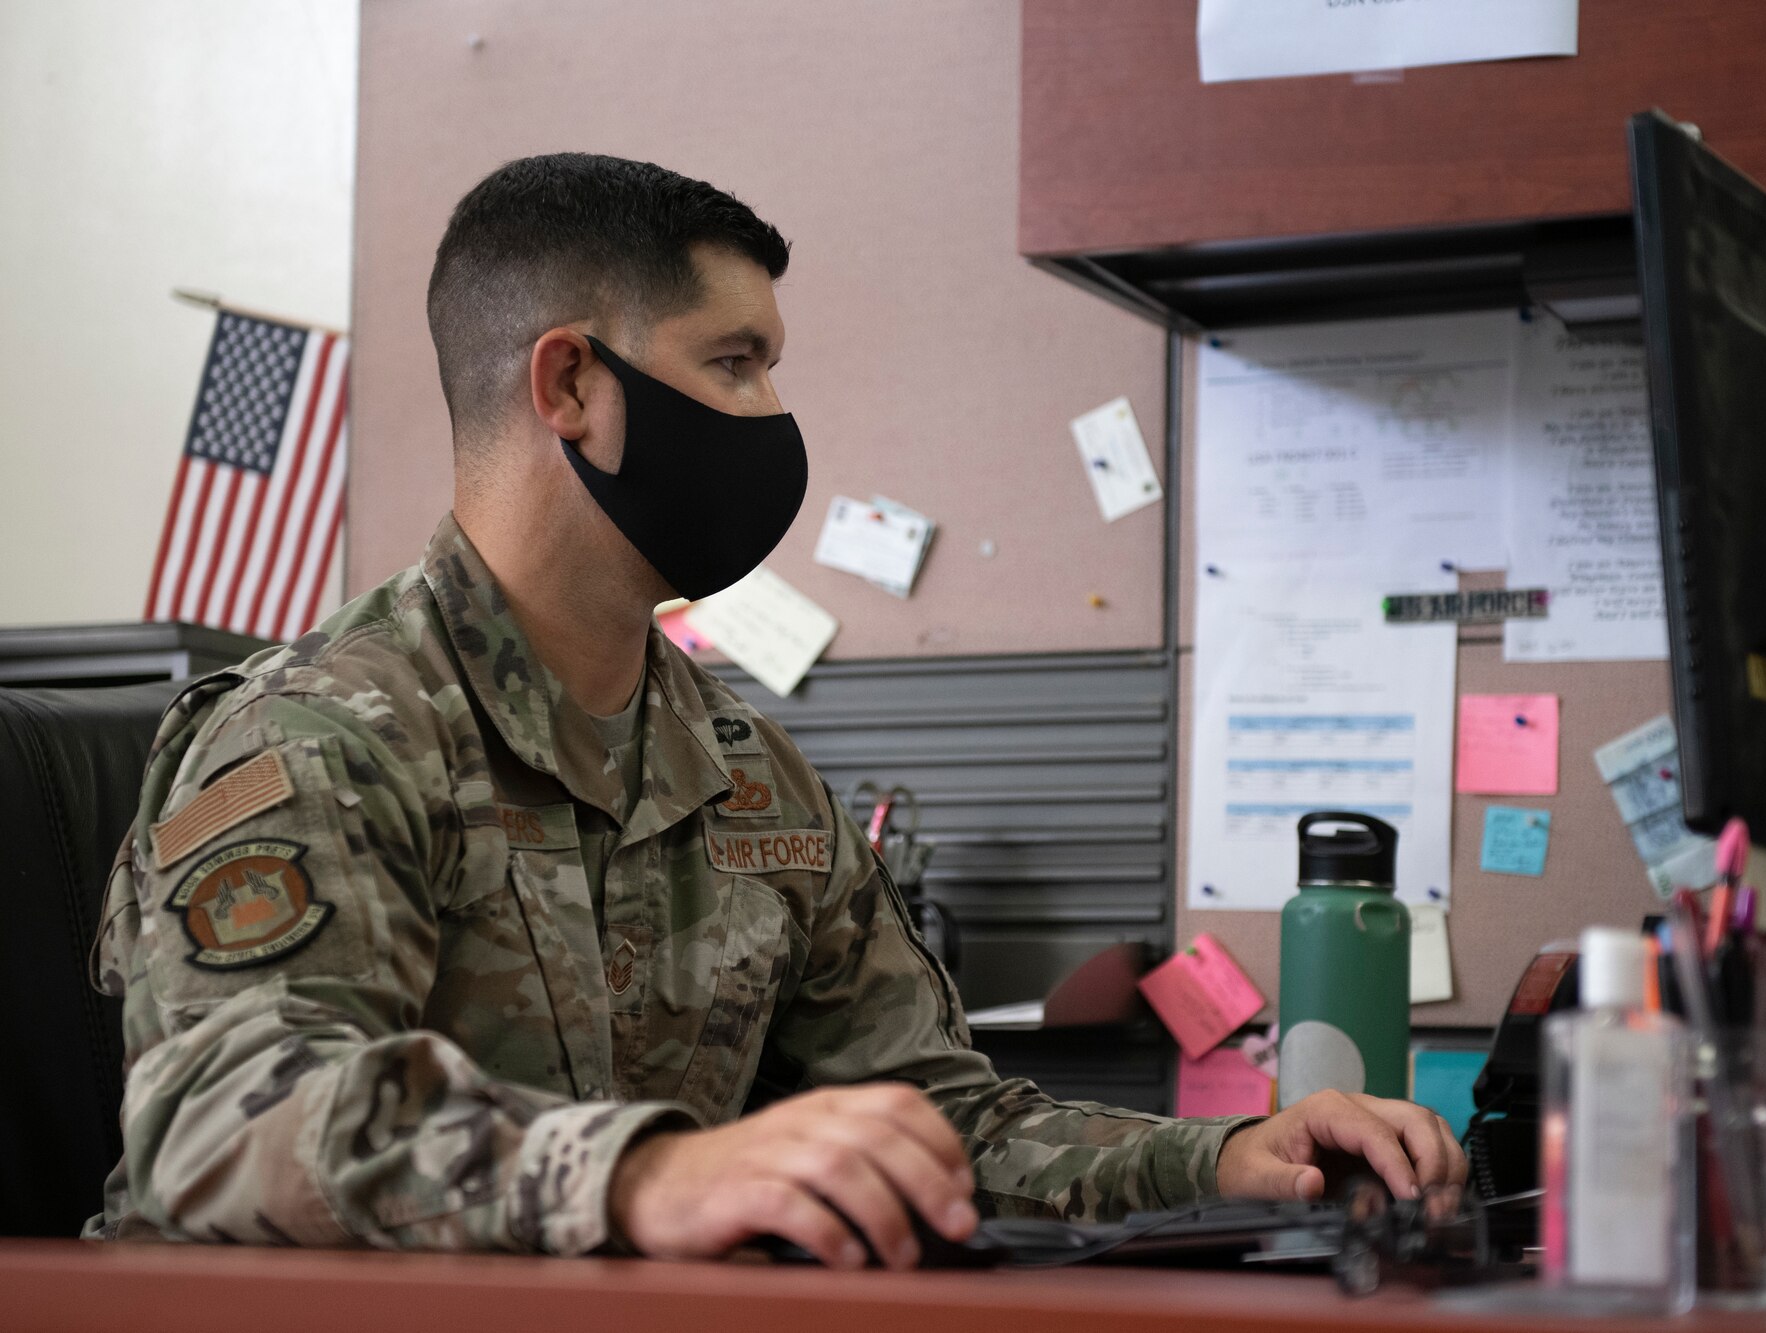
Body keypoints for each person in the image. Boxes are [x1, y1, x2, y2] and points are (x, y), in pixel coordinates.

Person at [87, 153, 1466, 1268]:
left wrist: (1226, 1161)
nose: (774, 415)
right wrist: (649, 1172)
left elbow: (939, 1116)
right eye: (736, 363)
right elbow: (222, 1119)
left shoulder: (744, 772)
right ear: (571, 384)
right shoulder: (328, 734)